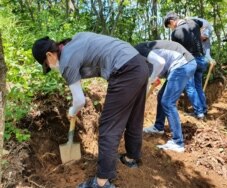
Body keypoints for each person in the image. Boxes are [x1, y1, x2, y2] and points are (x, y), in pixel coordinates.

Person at [32, 32, 149, 188]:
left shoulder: (66, 61)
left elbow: (79, 100)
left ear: (49, 55)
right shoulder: (75, 41)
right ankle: (131, 158)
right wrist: (76, 106)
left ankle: (101, 182)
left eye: (47, 64)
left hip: (124, 70)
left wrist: (72, 111)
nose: (50, 67)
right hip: (139, 64)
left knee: (108, 127)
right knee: (134, 116)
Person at [135, 40, 197, 152]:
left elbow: (160, 62)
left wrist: (152, 78)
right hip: (182, 64)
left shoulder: (138, 49)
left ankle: (178, 142)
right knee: (161, 96)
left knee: (168, 102)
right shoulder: (141, 57)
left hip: (182, 64)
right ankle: (158, 127)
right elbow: (148, 80)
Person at [164, 12, 208, 118]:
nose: (171, 29)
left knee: (190, 87)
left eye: (170, 27)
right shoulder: (193, 22)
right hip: (201, 59)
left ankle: (199, 112)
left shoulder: (175, 34)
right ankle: (204, 109)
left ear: (171, 22)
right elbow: (205, 24)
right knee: (198, 86)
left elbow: (177, 52)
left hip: (190, 61)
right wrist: (200, 34)